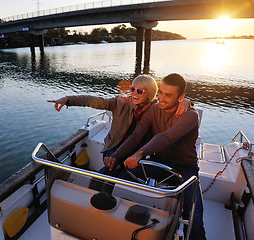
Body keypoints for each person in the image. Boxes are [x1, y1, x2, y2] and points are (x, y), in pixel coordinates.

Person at [106, 73, 206, 240]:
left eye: (168, 95)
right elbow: (136, 136)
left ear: (181, 97)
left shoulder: (190, 115)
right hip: (158, 163)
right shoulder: (154, 109)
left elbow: (166, 137)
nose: (162, 98)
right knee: (110, 170)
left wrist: (140, 153)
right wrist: (116, 157)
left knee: (194, 216)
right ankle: (101, 213)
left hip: (186, 169)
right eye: (160, 92)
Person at [48, 74, 189, 176]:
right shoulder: (120, 103)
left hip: (139, 152)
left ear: (150, 94)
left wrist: (186, 102)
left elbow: (173, 102)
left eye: (139, 91)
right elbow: (93, 100)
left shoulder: (156, 109)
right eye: (132, 88)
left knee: (122, 170)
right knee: (112, 168)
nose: (133, 93)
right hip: (114, 148)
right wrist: (68, 100)